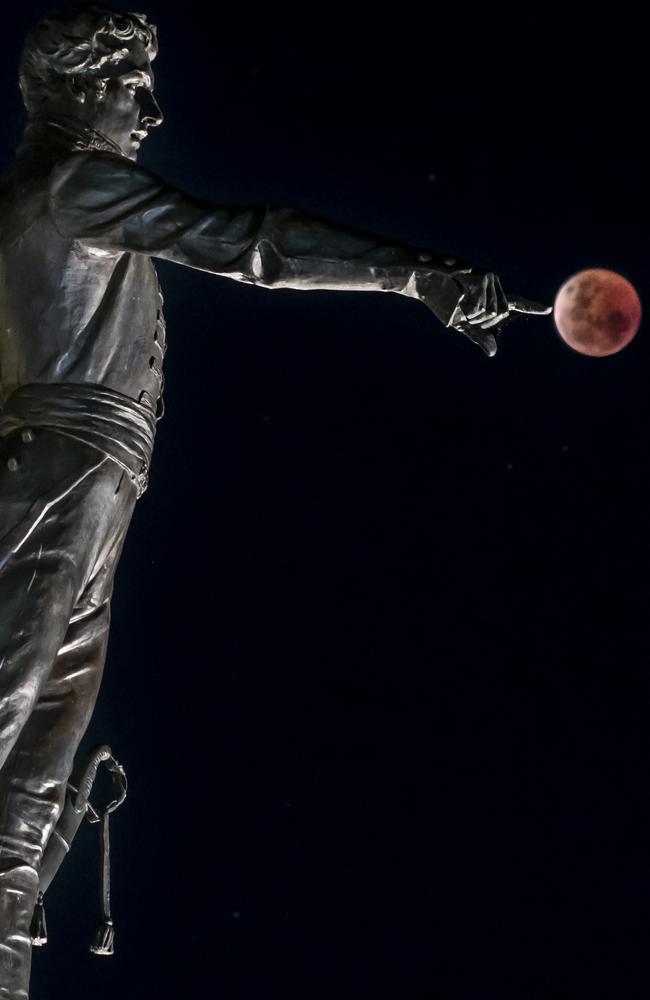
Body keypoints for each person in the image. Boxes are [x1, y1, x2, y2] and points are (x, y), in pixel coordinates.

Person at [0, 6, 549, 997]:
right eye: (132, 88)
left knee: (30, 794)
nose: (151, 111)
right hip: (57, 476)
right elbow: (245, 243)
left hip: (88, 491)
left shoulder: (53, 196)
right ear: (83, 94)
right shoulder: (73, 186)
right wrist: (410, 271)